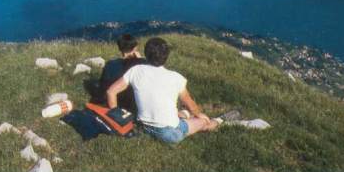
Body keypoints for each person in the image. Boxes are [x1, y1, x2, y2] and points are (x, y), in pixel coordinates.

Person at [106, 37, 239, 144]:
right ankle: (220, 120)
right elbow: (191, 104)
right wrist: (200, 115)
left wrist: (117, 117)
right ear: (166, 56)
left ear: (146, 54)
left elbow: (111, 92)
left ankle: (183, 115)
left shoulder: (136, 70)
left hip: (142, 125)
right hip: (168, 133)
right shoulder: (176, 78)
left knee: (178, 113)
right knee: (203, 122)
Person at [98, 34, 147, 114]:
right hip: (135, 105)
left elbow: (103, 85)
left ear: (119, 48)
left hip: (114, 102)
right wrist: (140, 59)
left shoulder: (110, 64)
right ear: (135, 48)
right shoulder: (142, 64)